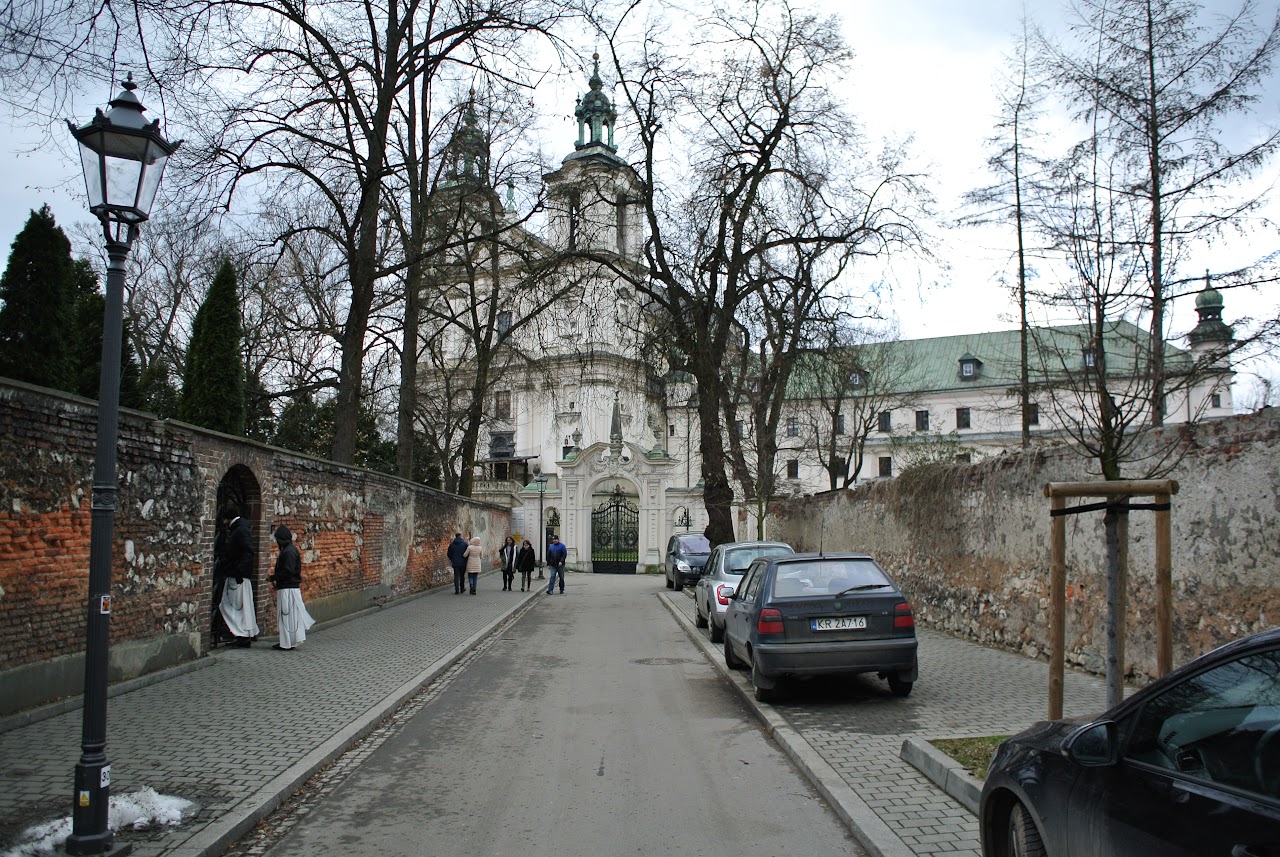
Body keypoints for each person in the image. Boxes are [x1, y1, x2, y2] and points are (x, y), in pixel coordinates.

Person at [216, 504, 260, 647]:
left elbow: (248, 552)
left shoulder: (240, 531)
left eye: (224, 520)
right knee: (239, 606)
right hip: (239, 574)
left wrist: (239, 571)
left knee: (231, 605)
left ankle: (241, 634)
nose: (223, 523)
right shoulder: (241, 529)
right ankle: (242, 634)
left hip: (238, 575)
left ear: (228, 519)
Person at [270, 524, 315, 650]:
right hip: (289, 587)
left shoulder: (288, 551)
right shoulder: (289, 550)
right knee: (290, 616)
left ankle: (287, 642)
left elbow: (287, 571)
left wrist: (275, 577)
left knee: (286, 615)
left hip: (287, 588)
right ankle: (289, 641)